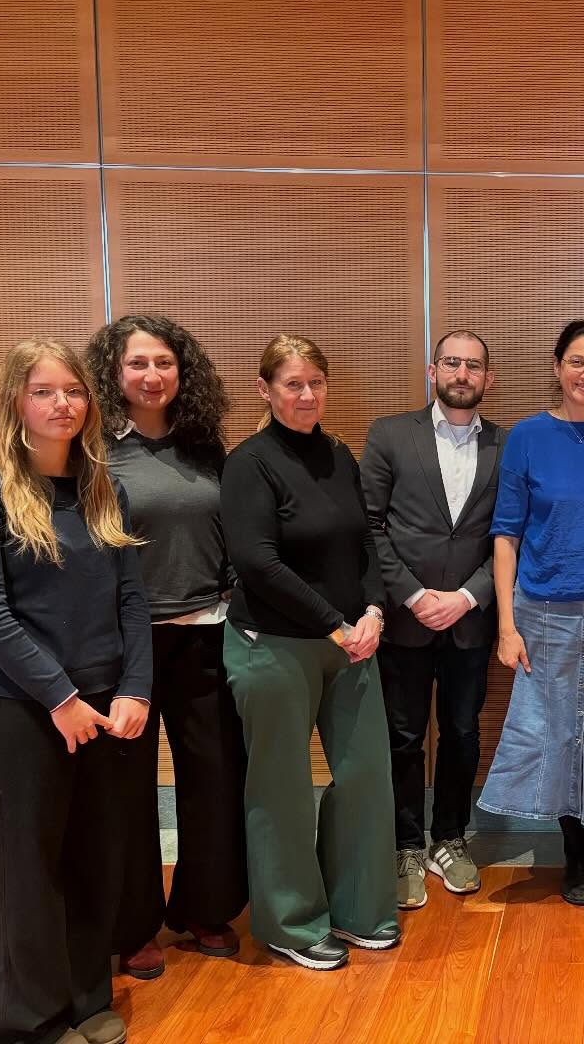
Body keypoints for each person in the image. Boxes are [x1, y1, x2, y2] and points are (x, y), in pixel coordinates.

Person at [0, 340, 151, 1044]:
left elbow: (131, 601)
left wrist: (137, 689)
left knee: (95, 859)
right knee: (27, 877)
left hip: (105, 711)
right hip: (23, 713)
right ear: (16, 401)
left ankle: (86, 998)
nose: (63, 403)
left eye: (73, 390)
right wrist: (60, 698)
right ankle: (24, 1023)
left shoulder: (103, 486)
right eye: (44, 391)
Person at [220, 334, 398, 971]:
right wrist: (335, 624)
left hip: (351, 642)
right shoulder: (249, 463)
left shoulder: (339, 456)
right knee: (282, 788)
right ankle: (291, 924)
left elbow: (364, 546)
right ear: (264, 390)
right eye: (292, 384)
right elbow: (256, 563)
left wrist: (374, 611)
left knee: (365, 779)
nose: (306, 395)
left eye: (316, 383)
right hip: (272, 648)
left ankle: (358, 908)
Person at [85, 315, 248, 980]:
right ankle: (132, 927)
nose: (152, 376)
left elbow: (236, 534)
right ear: (113, 374)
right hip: (127, 648)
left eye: (165, 363)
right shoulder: (92, 453)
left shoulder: (206, 449)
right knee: (125, 791)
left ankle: (208, 909)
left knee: (214, 779)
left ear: (184, 372)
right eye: (137, 364)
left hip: (207, 636)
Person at [478, 317, 584, 905]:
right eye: (577, 362)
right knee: (555, 733)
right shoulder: (526, 436)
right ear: (557, 367)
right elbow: (505, 534)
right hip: (544, 608)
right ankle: (577, 856)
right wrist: (506, 624)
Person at [360, 329, 503, 911]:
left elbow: (514, 536)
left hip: (472, 619)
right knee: (403, 736)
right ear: (432, 370)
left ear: (488, 380)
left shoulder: (507, 445)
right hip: (404, 619)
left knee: (464, 734)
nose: (462, 373)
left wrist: (468, 596)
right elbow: (369, 525)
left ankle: (450, 838)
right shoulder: (391, 434)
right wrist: (415, 595)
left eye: (474, 366)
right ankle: (404, 846)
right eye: (452, 363)